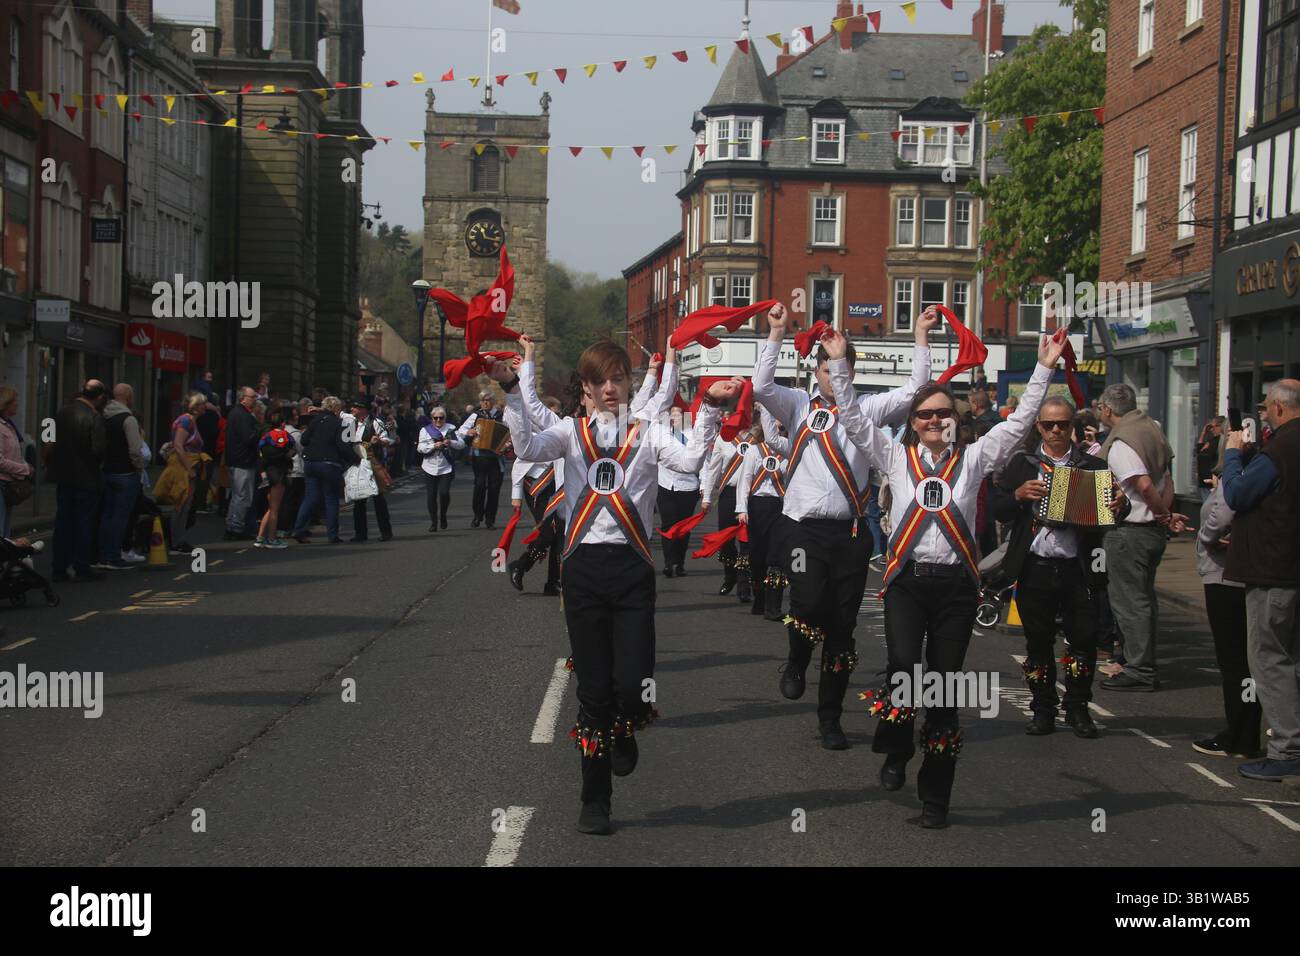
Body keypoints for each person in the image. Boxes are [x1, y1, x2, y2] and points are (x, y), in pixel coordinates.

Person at [490, 341, 741, 836]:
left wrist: (709, 406)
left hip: (631, 571)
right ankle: (595, 798)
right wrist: (511, 390)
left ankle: (627, 723)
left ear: (629, 384)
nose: (610, 389)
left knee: (631, 683)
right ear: (585, 388)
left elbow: (690, 465)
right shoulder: (569, 434)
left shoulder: (649, 435)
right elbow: (527, 447)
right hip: (583, 570)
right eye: (600, 381)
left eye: (619, 379)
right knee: (593, 689)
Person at [830, 327, 1068, 828]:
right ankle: (896, 747)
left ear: (957, 421)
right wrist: (838, 363)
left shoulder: (977, 457)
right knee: (902, 669)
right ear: (912, 423)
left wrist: (1044, 366)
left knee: (941, 688)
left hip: (957, 589)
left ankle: (936, 797)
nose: (935, 420)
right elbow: (850, 419)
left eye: (944, 413)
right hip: (907, 584)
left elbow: (1022, 419)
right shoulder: (894, 456)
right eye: (925, 414)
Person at [753, 303, 937, 752]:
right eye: (824, 364)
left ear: (849, 371)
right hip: (800, 529)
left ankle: (829, 717)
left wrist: (919, 337)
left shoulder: (868, 408)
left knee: (841, 628)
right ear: (816, 369)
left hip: (851, 534)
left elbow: (917, 389)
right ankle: (797, 660)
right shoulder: (797, 405)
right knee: (809, 602)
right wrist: (776, 333)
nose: (830, 373)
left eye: (840, 364)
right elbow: (760, 386)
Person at [990, 396, 1126, 738]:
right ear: (1038, 427)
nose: (1055, 431)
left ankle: (1078, 708)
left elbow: (1109, 517)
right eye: (1048, 425)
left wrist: (1118, 505)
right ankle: (1043, 708)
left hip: (1078, 568)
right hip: (1034, 565)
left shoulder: (1093, 466)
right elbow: (998, 509)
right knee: (1038, 644)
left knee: (1083, 641)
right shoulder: (1022, 464)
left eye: (1062, 424)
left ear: (1072, 428)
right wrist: (1018, 495)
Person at [1221, 379, 1300, 782]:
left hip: (1273, 571)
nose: (1264, 413)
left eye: (1267, 408)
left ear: (1281, 409)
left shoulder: (1281, 448)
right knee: (1292, 660)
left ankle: (1287, 749)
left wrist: (1234, 455)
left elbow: (1237, 494)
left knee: (1270, 659)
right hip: (1292, 569)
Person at [1097, 383, 1185, 691]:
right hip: (1151, 533)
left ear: (1108, 410)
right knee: (1144, 600)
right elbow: (1166, 480)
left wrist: (1162, 515)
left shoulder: (1122, 442)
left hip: (1131, 532)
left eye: (1100, 408)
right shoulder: (1153, 429)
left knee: (1129, 602)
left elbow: (1145, 486)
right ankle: (1136, 659)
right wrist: (1167, 514)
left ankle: (1140, 669)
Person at [1194, 471, 1263, 759]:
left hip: (1224, 577)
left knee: (1233, 662)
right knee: (1250, 661)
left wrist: (1205, 538)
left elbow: (1221, 517)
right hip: (1251, 575)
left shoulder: (1235, 477)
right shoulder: (1261, 475)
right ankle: (1246, 735)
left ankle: (1238, 738)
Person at [50, 380, 108, 582]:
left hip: (64, 477)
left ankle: (59, 567)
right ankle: (82, 566)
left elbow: (48, 439)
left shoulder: (61, 412)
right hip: (87, 479)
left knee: (63, 522)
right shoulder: (95, 417)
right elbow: (98, 450)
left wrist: (52, 463)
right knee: (84, 523)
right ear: (99, 397)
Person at [735, 405, 789, 619]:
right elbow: (744, 480)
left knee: (777, 558)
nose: (778, 429)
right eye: (774, 425)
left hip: (781, 507)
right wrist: (741, 508)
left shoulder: (791, 450)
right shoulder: (754, 451)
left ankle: (773, 606)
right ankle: (759, 597)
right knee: (757, 558)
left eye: (781, 426)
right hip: (757, 506)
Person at [94, 384, 147, 571]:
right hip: (126, 474)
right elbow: (135, 450)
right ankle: (113, 556)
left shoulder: (103, 416)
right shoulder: (128, 419)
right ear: (129, 397)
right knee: (120, 518)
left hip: (106, 472)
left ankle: (102, 555)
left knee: (107, 516)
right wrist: (139, 469)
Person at [290, 396, 356, 544]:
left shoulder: (315, 421)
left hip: (311, 462)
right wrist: (355, 459)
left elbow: (304, 440)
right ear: (337, 409)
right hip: (329, 464)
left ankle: (298, 530)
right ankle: (332, 535)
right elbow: (343, 445)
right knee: (331, 500)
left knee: (310, 498)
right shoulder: (340, 424)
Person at [701, 426, 757, 601]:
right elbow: (713, 469)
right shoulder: (723, 437)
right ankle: (730, 576)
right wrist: (707, 497)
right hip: (729, 493)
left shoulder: (759, 437)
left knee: (746, 542)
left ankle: (744, 584)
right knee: (725, 539)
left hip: (752, 494)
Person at [657, 405, 700, 578]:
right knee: (668, 525)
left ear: (685, 417)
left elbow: (704, 459)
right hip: (665, 485)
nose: (674, 417)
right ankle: (668, 563)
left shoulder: (693, 435)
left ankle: (679, 563)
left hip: (688, 487)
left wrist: (705, 486)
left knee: (683, 528)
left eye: (678, 414)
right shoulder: (661, 434)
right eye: (671, 414)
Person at [167, 392, 210, 554]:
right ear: (195, 406)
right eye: (203, 403)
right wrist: (189, 469)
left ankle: (179, 539)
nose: (205, 406)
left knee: (185, 505)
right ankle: (175, 541)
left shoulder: (191, 421)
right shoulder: (186, 421)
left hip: (189, 466)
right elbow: (178, 445)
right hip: (184, 468)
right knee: (181, 504)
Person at [347, 397, 394, 543]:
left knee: (378, 498)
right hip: (357, 462)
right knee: (358, 498)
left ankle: (386, 532)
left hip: (372, 461)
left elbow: (388, 439)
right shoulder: (350, 423)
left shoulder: (376, 422)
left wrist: (379, 441)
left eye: (355, 407)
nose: (352, 409)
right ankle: (360, 533)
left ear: (363, 409)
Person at [461, 391, 505, 529]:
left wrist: (507, 443)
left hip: (496, 457)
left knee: (494, 489)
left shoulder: (500, 415)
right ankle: (477, 515)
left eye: (487, 400)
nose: (484, 402)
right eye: (482, 400)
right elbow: (461, 430)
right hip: (479, 456)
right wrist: (469, 432)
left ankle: (490, 519)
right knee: (479, 486)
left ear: (492, 401)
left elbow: (509, 432)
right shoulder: (476, 415)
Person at [255, 407, 296, 549]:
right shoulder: (286, 436)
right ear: (283, 424)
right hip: (279, 473)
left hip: (267, 473)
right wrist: (288, 455)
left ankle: (260, 537)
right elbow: (291, 451)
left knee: (270, 506)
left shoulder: (266, 436)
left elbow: (262, 454)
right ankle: (272, 538)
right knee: (275, 508)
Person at [417, 407, 463, 531]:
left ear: (444, 418)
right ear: (432, 418)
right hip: (429, 466)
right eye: (435, 418)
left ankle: (443, 515)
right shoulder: (425, 430)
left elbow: (461, 444)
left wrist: (451, 442)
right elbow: (420, 447)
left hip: (445, 466)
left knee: (444, 493)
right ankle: (433, 522)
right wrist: (433, 445)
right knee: (431, 495)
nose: (438, 420)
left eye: (441, 418)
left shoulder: (450, 428)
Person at [224, 387, 260, 541]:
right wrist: (260, 430)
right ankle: (236, 527)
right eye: (252, 397)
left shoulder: (236, 413)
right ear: (242, 398)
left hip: (236, 459)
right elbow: (249, 438)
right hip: (243, 461)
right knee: (243, 496)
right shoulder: (243, 415)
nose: (255, 399)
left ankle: (233, 525)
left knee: (237, 496)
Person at [0, 385, 33, 538]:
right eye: (14, 401)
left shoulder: (9, 425)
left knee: (5, 534)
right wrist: (24, 469)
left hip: (8, 486)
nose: (17, 404)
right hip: (2, 483)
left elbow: (13, 454)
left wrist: (25, 465)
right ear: (5, 403)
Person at [1196, 417, 1226, 501]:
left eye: (1215, 426)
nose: (1212, 429)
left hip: (1211, 481)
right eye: (1211, 427)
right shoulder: (1211, 440)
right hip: (1203, 481)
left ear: (1221, 426)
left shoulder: (1221, 441)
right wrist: (1203, 433)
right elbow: (1199, 450)